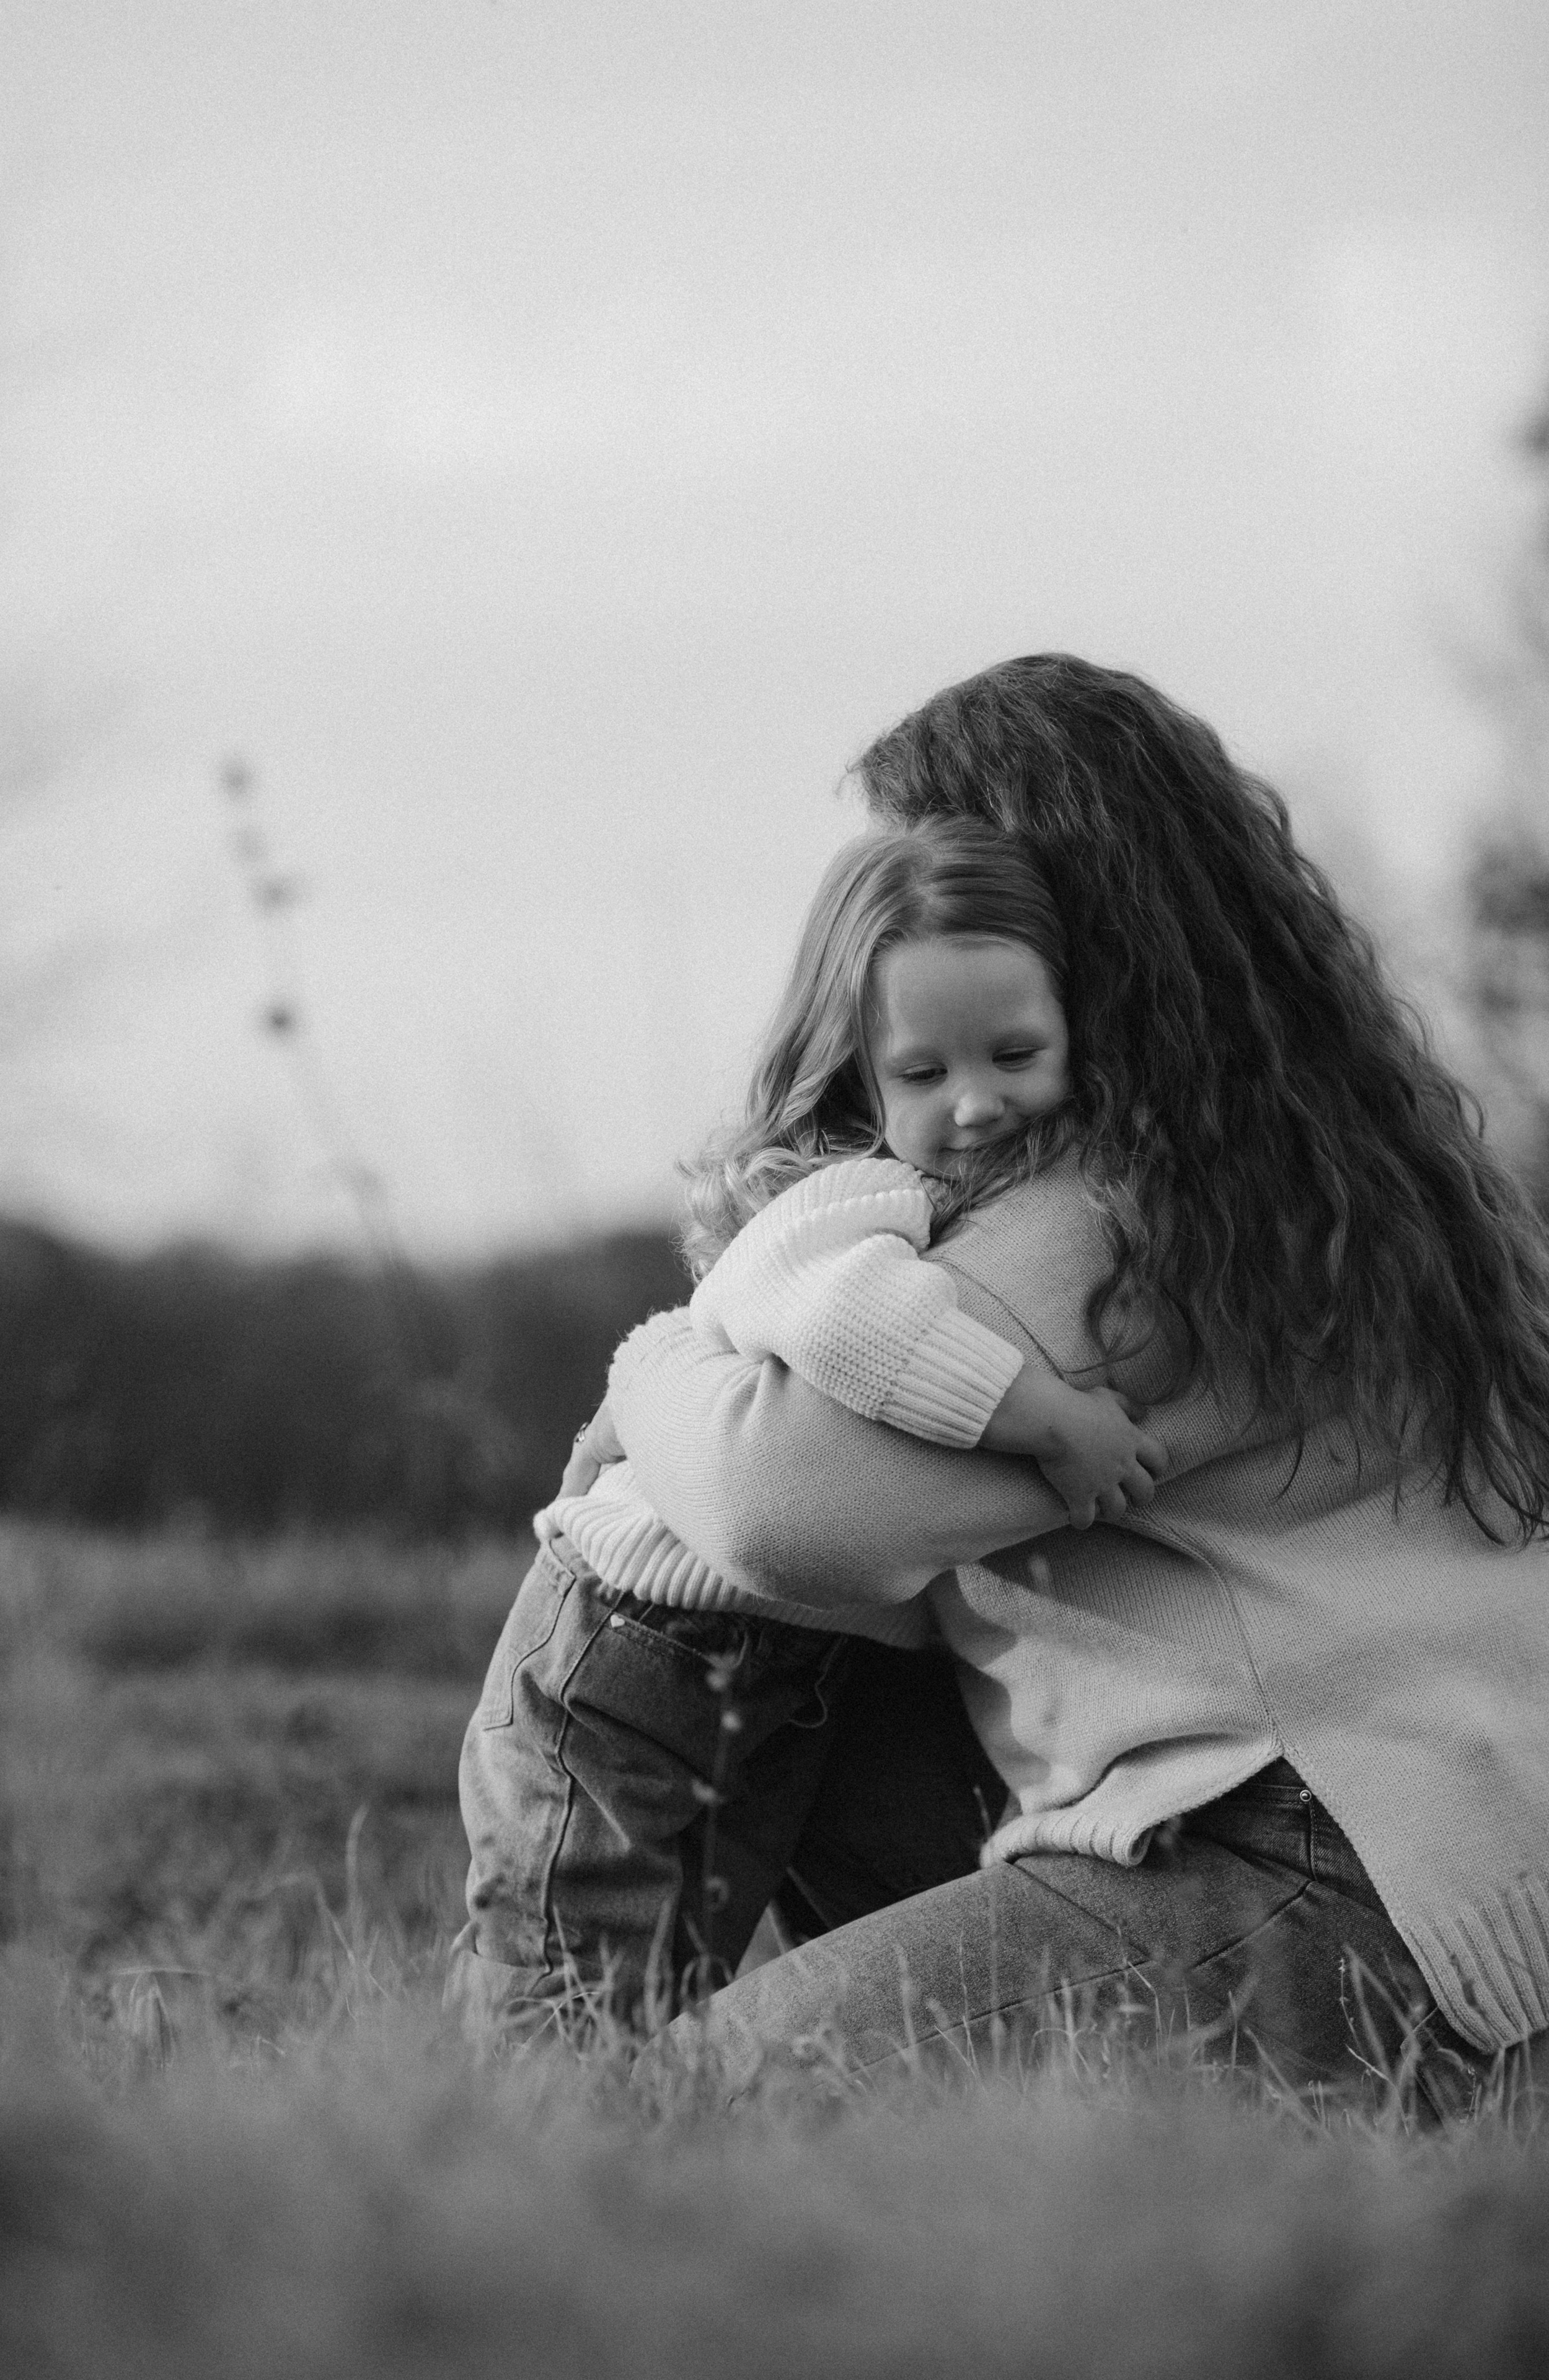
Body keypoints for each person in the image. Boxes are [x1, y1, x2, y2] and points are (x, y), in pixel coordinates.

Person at [581, 653, 1549, 2113]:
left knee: (685, 2110)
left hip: (1316, 1863)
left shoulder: (1089, 1221)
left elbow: (773, 1504)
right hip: (1446, 1828)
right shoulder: (1341, 1162)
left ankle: (528, 2111)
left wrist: (656, 1353)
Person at [457, 820, 1166, 2031]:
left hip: (813, 1656)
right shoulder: (850, 1199)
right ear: (856, 1079)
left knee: (867, 1959)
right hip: (641, 1642)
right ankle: (505, 2195)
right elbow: (852, 1324)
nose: (976, 1102)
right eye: (923, 1075)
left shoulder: (994, 1197)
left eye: (1013, 1054)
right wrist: (1047, 1418)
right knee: (576, 1984)